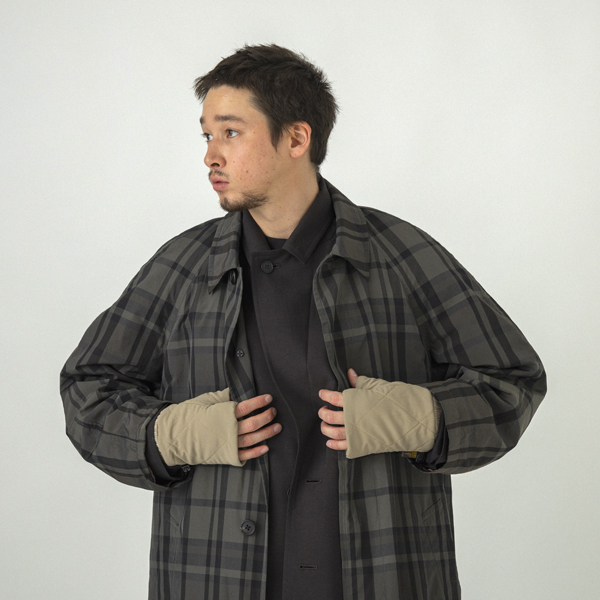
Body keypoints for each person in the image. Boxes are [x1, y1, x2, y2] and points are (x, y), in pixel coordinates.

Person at [60, 44, 546, 600]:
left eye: (230, 133)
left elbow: (513, 380)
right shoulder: (183, 266)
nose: (210, 156)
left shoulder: (401, 255)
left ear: (296, 138)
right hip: (213, 578)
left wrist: (422, 419)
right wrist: (167, 435)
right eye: (207, 136)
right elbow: (87, 391)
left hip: (387, 579)